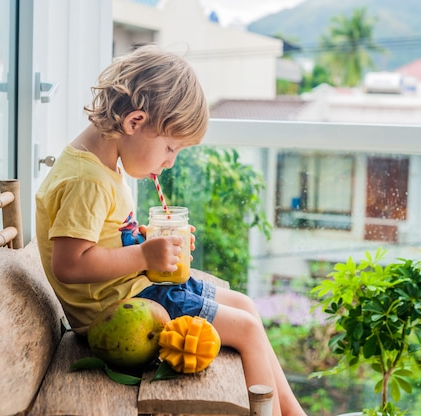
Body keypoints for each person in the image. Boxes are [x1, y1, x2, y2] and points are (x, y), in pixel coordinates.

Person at [35, 45, 307, 416]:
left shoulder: (100, 168)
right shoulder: (88, 181)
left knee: (245, 305)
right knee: (244, 329)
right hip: (123, 312)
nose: (169, 161)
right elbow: (71, 264)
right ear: (134, 122)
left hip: (136, 291)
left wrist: (146, 241)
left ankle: (293, 411)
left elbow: (103, 239)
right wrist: (145, 255)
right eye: (170, 147)